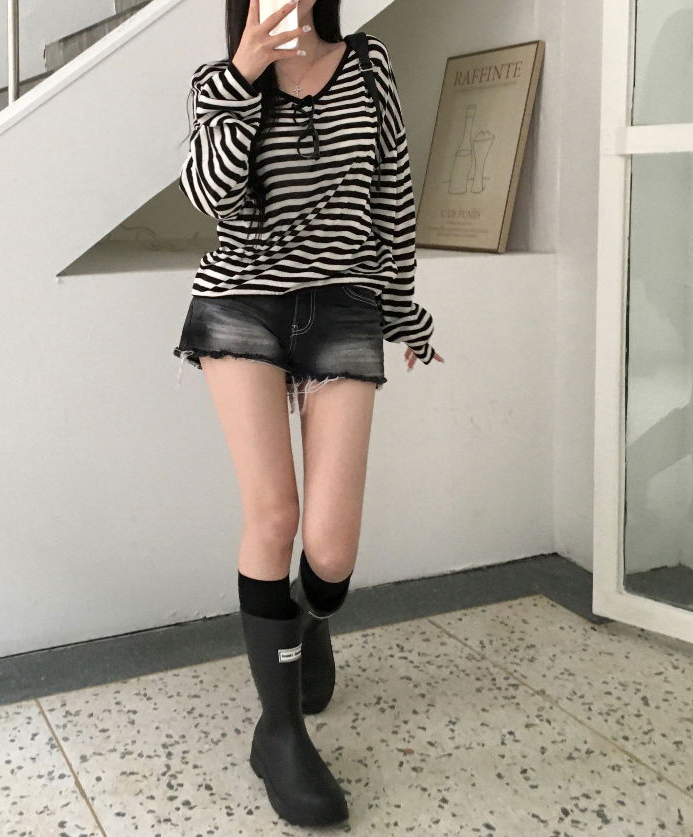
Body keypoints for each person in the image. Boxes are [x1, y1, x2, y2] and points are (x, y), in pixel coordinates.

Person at [173, 0, 444, 826]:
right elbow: (208, 194)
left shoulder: (369, 64)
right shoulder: (218, 81)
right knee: (274, 513)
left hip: (342, 303)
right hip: (241, 302)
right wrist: (245, 73)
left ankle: (303, 617)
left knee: (330, 553)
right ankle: (279, 731)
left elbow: (393, 200)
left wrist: (404, 311)